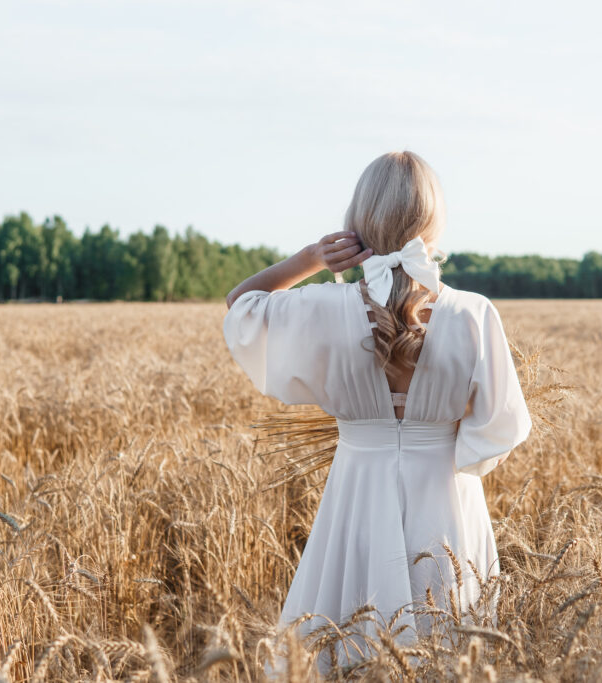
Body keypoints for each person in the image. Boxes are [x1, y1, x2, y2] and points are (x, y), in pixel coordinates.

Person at [222, 150, 532, 673]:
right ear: (433, 221)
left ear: (358, 222)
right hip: (447, 501)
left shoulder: (322, 307)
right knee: (450, 648)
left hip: (356, 494)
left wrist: (311, 259)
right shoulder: (474, 312)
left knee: (341, 643)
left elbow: (241, 305)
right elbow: (500, 429)